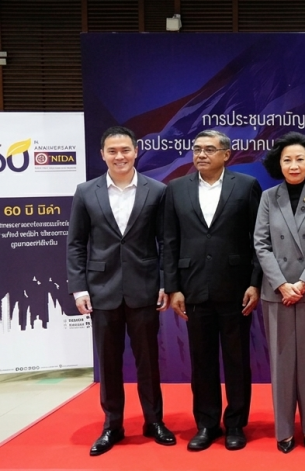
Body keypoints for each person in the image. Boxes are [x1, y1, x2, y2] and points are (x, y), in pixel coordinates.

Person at [66, 126, 175, 456]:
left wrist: (165, 282)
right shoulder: (86, 191)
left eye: (125, 150)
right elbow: (76, 244)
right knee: (109, 363)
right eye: (112, 151)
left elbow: (166, 242)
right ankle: (112, 425)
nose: (120, 156)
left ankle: (154, 421)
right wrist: (79, 288)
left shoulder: (157, 191)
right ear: (102, 154)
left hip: (145, 288)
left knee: (149, 362)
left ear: (136, 151)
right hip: (102, 290)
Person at [163, 129, 262, 452]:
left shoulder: (246, 186)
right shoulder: (176, 188)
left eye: (209, 149)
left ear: (226, 155)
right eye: (197, 149)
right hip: (193, 288)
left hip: (236, 288)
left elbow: (258, 239)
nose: (201, 154)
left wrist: (255, 282)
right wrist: (173, 287)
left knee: (237, 361)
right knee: (201, 361)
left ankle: (235, 424)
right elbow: (170, 241)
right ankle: (206, 424)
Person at [253, 132, 305, 454]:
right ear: (279, 163)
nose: (294, 165)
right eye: (287, 159)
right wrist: (280, 283)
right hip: (277, 292)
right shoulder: (268, 197)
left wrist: (302, 283)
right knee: (282, 363)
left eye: (300, 158)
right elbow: (261, 244)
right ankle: (284, 431)